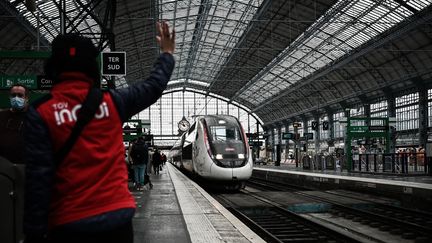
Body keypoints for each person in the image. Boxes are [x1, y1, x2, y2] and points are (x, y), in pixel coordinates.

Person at [23, 21, 175, 243]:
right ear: (92, 68)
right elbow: (153, 85)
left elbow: (38, 179)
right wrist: (167, 54)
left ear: (53, 67)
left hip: (69, 223)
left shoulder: (42, 112)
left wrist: (34, 233)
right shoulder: (113, 102)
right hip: (118, 220)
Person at [0, 84, 29, 164]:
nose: (16, 98)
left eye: (20, 95)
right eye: (13, 95)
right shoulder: (1, 115)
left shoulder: (33, 117)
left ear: (26, 98)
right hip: (3, 165)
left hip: (24, 165)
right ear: (10, 97)